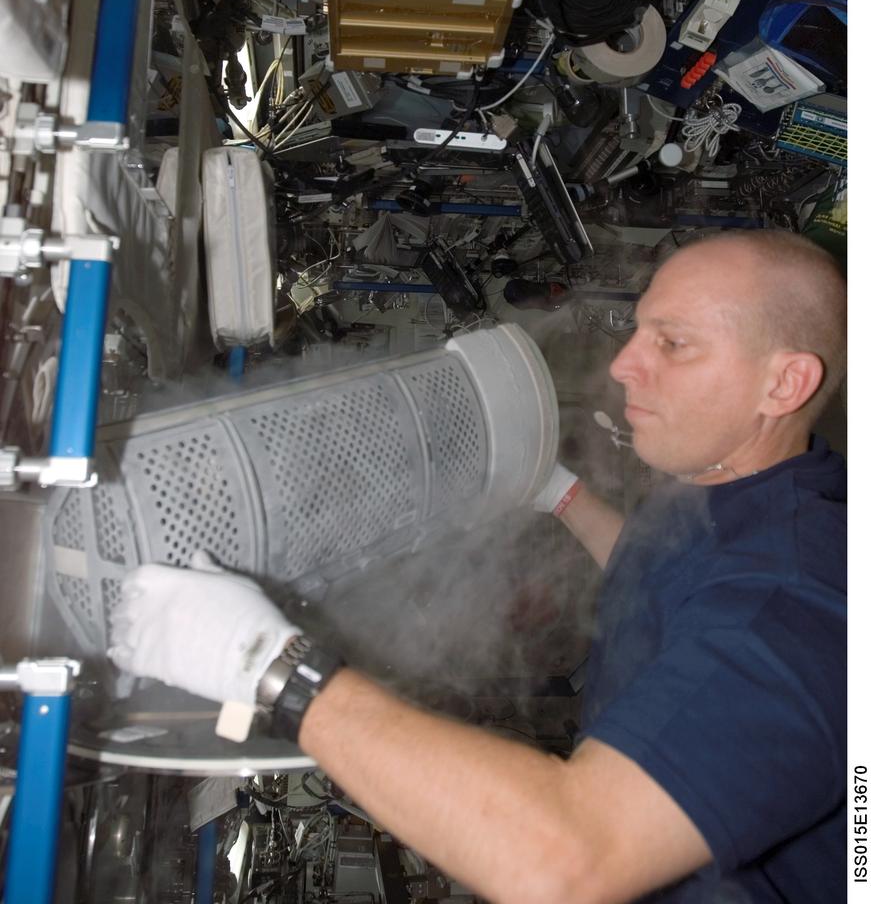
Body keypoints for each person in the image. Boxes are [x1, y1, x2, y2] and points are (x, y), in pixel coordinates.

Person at [110, 229, 847, 904]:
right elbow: (663, 575)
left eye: (674, 343)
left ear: (783, 385)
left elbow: (568, 862)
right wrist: (557, 495)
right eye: (638, 329)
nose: (625, 364)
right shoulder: (728, 486)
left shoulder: (802, 599)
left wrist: (270, 670)